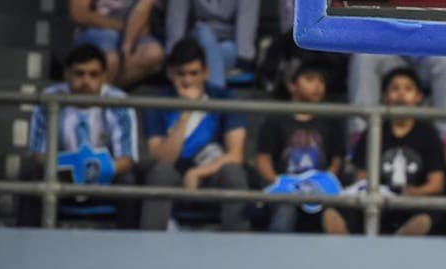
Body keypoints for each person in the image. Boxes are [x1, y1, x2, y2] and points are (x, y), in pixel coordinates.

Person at [18, 43, 141, 228]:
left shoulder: (119, 103)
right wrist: (68, 168)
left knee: (128, 181)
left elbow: (126, 158)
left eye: (93, 74)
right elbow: (39, 153)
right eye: (79, 74)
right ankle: (30, 240)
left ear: (104, 76)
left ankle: (129, 242)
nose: (86, 81)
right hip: (62, 174)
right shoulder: (49, 99)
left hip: (105, 176)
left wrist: (94, 172)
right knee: (32, 174)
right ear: (67, 74)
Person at [142, 38, 249, 231]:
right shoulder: (157, 103)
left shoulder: (224, 98)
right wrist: (186, 112)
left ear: (205, 72)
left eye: (193, 73)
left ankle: (237, 244)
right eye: (181, 74)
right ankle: (151, 243)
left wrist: (196, 173)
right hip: (174, 177)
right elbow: (163, 159)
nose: (187, 81)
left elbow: (235, 155)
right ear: (170, 73)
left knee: (233, 173)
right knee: (160, 173)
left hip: (212, 174)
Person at [325, 67, 446, 237]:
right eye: (395, 89)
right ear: (385, 97)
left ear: (418, 96)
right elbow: (361, 178)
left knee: (429, 215)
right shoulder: (373, 131)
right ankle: (346, 250)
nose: (401, 94)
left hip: (411, 204)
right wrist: (380, 192)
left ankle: (398, 245)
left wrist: (413, 192)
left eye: (408, 89)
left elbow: (436, 183)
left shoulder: (428, 134)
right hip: (379, 202)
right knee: (333, 211)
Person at [254, 57, 344, 234]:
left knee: (333, 216)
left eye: (321, 81)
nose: (317, 86)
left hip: (319, 192)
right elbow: (263, 160)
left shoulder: (332, 120)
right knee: (285, 210)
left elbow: (336, 162)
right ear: (292, 85)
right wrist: (280, 183)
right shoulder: (276, 119)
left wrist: (321, 185)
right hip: (285, 191)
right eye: (310, 79)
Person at [68, 0, 164, 87]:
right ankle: (97, 94)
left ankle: (101, 91)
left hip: (135, 31)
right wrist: (122, 27)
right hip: (96, 28)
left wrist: (128, 42)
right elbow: (79, 14)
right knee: (110, 59)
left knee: (153, 53)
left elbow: (143, 11)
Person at [165, 0, 257, 88]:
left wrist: (244, 58)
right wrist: (173, 55)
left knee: (222, 50)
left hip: (230, 46)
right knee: (204, 32)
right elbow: (177, 18)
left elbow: (247, 21)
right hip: (197, 41)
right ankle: (217, 93)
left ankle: (213, 93)